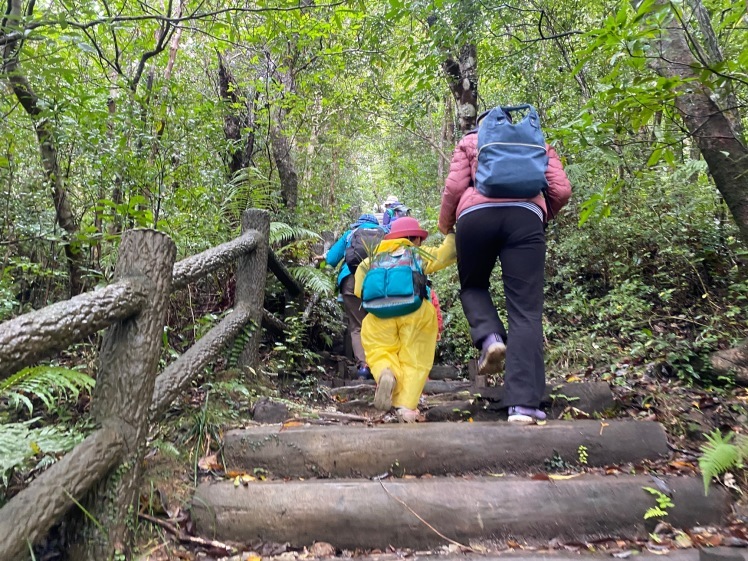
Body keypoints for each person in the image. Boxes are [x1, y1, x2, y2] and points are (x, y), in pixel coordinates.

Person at [438, 114, 571, 425]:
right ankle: (523, 406)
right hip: (525, 217)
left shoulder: (470, 141)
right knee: (526, 311)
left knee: (473, 286)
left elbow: (454, 187)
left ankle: (490, 337)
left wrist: (446, 226)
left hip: (474, 217)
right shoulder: (536, 142)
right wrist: (539, 211)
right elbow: (562, 190)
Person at [354, 217, 456, 422]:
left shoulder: (371, 259)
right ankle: (406, 407)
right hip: (415, 313)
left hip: (378, 317)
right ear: (414, 239)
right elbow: (449, 253)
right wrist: (452, 233)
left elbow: (359, 291)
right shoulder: (417, 255)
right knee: (414, 358)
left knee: (379, 350)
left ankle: (386, 372)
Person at [318, 213, 384, 380]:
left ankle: (363, 366)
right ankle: (382, 364)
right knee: (380, 324)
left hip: (351, 281)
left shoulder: (351, 234)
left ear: (358, 224)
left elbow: (331, 259)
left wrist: (321, 262)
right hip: (378, 283)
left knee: (357, 326)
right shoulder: (385, 234)